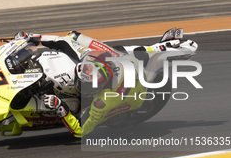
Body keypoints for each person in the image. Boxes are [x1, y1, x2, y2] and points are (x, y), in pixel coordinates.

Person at [13, 28, 186, 137]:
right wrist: (34, 38)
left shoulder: (104, 101)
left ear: (101, 85)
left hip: (132, 94)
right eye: (82, 81)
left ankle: (162, 56)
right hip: (120, 61)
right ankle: (160, 47)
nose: (82, 87)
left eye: (88, 86)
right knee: (72, 36)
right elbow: (64, 41)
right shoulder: (94, 56)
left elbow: (81, 131)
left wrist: (61, 108)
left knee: (75, 107)